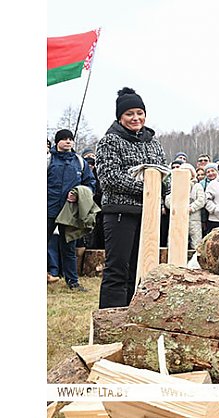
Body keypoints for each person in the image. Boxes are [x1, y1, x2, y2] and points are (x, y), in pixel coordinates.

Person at [96, 87, 167, 308]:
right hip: (120, 213)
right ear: (120, 117)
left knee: (140, 269)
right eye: (129, 114)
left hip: (148, 214)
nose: (135, 118)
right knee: (118, 269)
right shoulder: (110, 141)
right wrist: (147, 188)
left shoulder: (153, 142)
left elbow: (163, 173)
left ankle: (132, 313)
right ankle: (110, 317)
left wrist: (166, 188)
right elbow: (109, 178)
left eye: (139, 113)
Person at [48, 128, 97, 290]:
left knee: (69, 248)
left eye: (70, 138)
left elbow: (90, 183)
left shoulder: (80, 162)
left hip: (69, 213)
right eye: (64, 139)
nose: (68, 141)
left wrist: (79, 194)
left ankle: (73, 282)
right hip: (47, 210)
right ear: (57, 142)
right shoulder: (48, 160)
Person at [164, 163, 206, 250]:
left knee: (196, 243)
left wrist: (191, 208)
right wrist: (176, 207)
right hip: (178, 218)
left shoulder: (197, 186)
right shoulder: (175, 186)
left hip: (194, 219)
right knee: (175, 241)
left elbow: (201, 200)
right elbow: (168, 201)